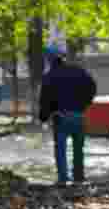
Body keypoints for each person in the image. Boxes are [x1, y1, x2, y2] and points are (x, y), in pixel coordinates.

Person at [38, 46, 97, 185]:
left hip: (61, 117)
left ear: (50, 60)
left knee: (60, 149)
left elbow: (45, 99)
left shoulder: (49, 76)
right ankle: (78, 178)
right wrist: (84, 105)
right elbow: (92, 87)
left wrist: (43, 117)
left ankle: (63, 179)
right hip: (79, 115)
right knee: (78, 149)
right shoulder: (78, 71)